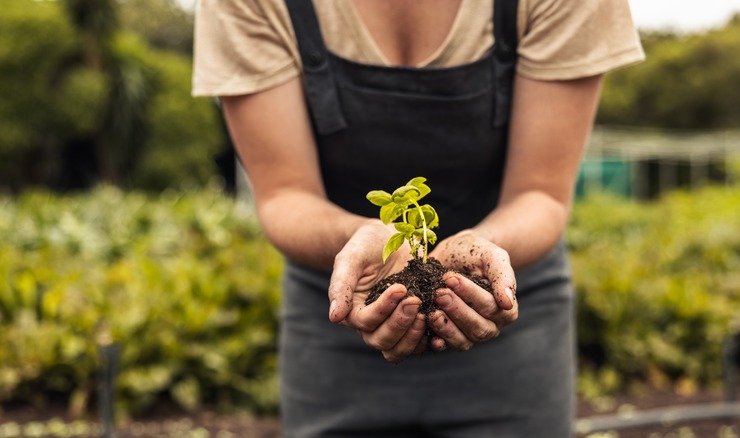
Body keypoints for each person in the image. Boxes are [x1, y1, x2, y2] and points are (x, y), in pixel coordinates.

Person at [193, 1, 644, 436]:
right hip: (341, 307)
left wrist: (481, 247)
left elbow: (540, 192)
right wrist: (361, 235)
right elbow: (285, 194)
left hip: (508, 303)